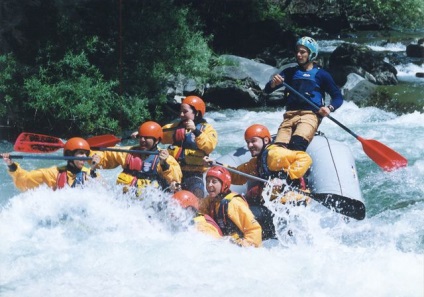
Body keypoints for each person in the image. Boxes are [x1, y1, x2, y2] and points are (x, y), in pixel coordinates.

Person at [205, 124, 312, 240]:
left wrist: (285, 179)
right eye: (247, 142)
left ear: (266, 140)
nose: (250, 145)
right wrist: (217, 165)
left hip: (290, 204)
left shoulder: (274, 154)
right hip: (274, 204)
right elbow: (238, 176)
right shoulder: (257, 161)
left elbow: (304, 158)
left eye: (253, 141)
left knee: (247, 214)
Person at [264, 36, 344, 151]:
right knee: (277, 151)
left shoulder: (322, 75)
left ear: (311, 54)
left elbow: (338, 97)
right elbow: (267, 90)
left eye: (303, 52)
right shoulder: (290, 73)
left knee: (296, 145)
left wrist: (329, 108)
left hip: (310, 115)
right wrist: (273, 84)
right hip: (289, 116)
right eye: (297, 52)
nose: (298, 55)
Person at [92, 121, 182, 196]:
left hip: (151, 202)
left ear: (157, 141)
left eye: (146, 138)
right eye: (141, 137)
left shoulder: (165, 158)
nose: (142, 140)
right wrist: (97, 158)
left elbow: (175, 179)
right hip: (127, 200)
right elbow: (107, 155)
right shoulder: (129, 153)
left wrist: (164, 164)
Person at [161, 96, 218, 199]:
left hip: (195, 173)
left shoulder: (207, 129)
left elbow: (209, 146)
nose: (181, 114)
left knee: (197, 194)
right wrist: (143, 133)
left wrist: (196, 131)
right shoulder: (176, 127)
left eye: (185, 112)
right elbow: (158, 134)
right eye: (181, 111)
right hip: (175, 172)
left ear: (196, 113)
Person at [2, 137, 100, 191]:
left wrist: (93, 170)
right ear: (69, 155)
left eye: (86, 154)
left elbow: (104, 192)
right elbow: (25, 180)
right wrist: (11, 164)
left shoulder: (89, 173)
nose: (84, 157)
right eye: (80, 153)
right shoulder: (54, 173)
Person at [199, 166, 262, 247]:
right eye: (207, 181)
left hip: (238, 246)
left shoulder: (233, 203)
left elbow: (254, 229)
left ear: (224, 184)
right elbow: (198, 210)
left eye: (214, 182)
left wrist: (245, 245)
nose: (209, 185)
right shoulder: (211, 200)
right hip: (224, 243)